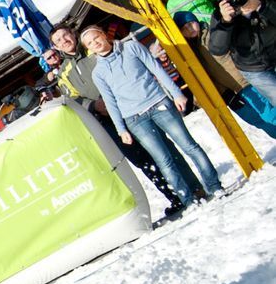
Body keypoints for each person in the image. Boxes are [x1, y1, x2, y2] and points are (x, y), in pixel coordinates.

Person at [79, 23, 222, 211]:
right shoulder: (98, 73)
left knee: (189, 146)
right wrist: (121, 129)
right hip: (135, 119)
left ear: (104, 35)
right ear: (88, 49)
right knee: (164, 160)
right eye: (90, 43)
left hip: (158, 103)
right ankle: (189, 199)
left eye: (96, 37)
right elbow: (110, 102)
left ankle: (214, 186)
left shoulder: (131, 47)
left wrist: (176, 93)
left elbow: (156, 69)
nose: (95, 43)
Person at [207, 0, 276, 109]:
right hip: (254, 68)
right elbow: (217, 49)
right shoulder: (221, 14)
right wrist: (226, 22)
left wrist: (263, 7)